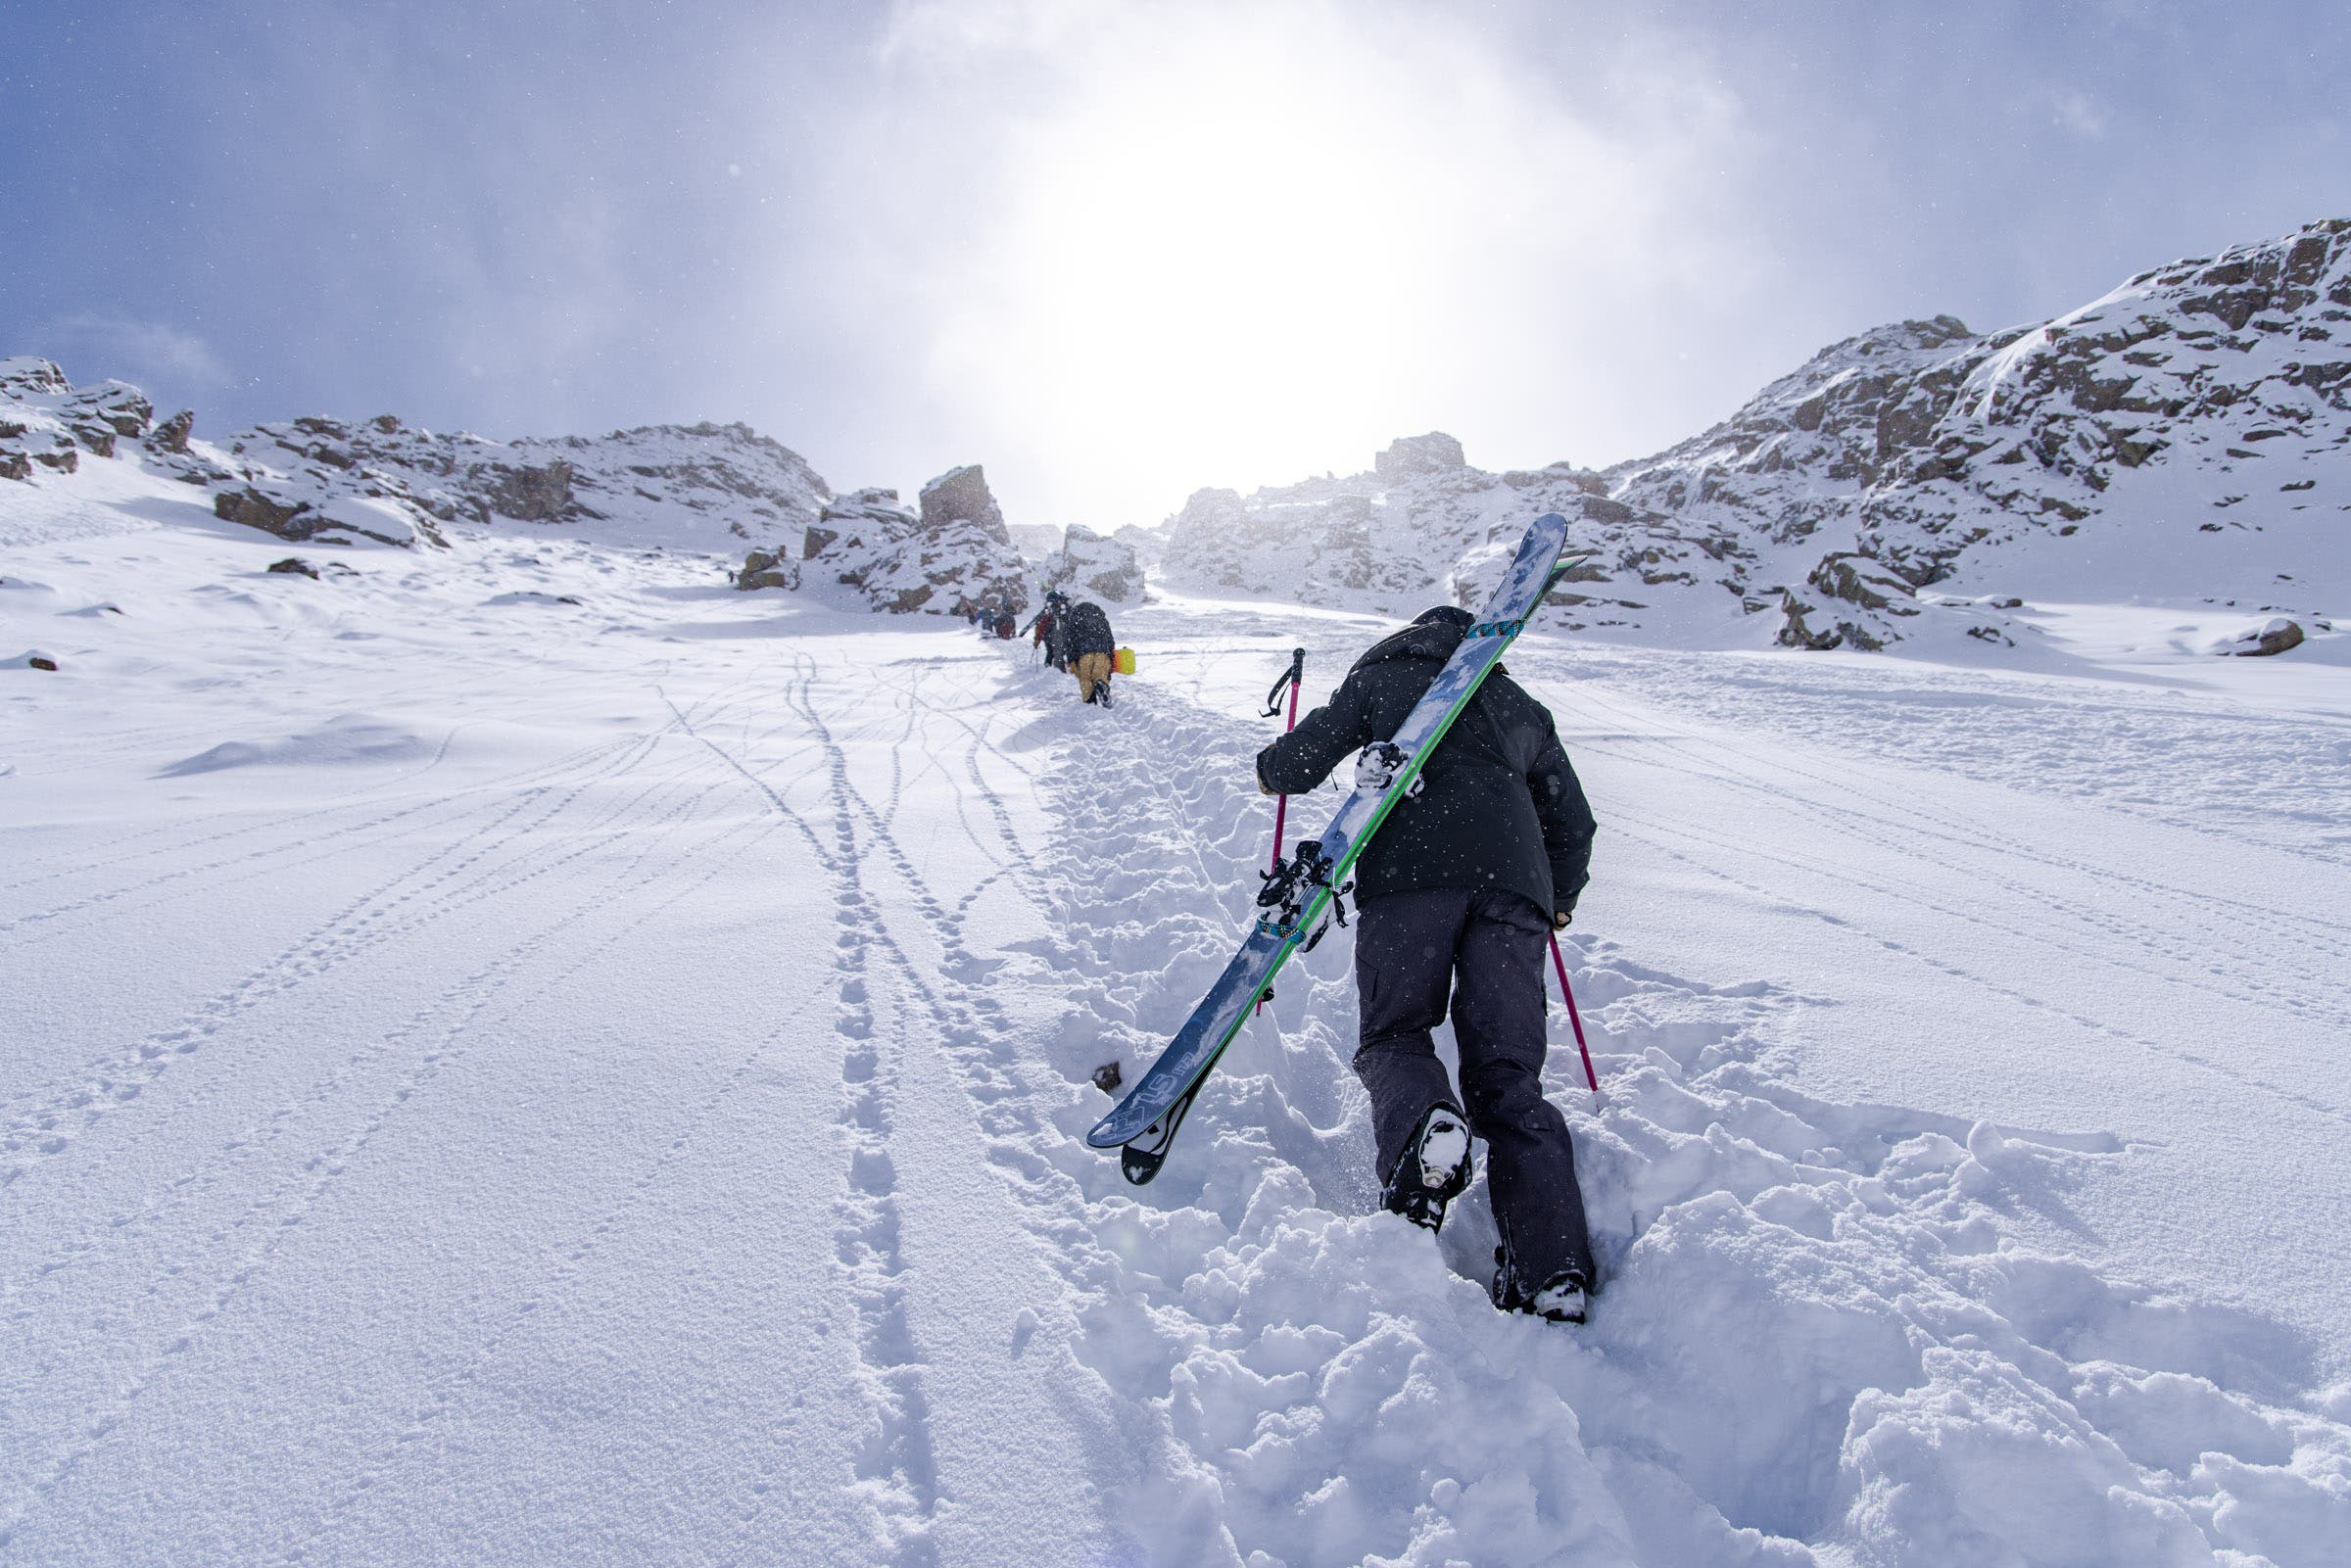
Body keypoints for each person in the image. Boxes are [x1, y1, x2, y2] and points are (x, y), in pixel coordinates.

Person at [1255, 605, 1598, 1323]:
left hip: (1410, 879)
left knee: (1395, 1033)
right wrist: (1557, 901)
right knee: (1508, 1074)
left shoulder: (1380, 677)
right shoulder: (1514, 700)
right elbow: (1572, 821)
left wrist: (1270, 764)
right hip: (1515, 890)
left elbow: (1299, 764)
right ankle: (1553, 1267)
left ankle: (1425, 1130)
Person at [1063, 597, 1116, 705]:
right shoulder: (1100, 617)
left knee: (1085, 677)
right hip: (1102, 650)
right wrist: (1110, 653)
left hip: (1084, 652)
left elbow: (1069, 640)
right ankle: (1101, 684)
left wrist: (1071, 658)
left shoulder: (1074, 618)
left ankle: (1090, 701)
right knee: (1100, 672)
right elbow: (1109, 637)